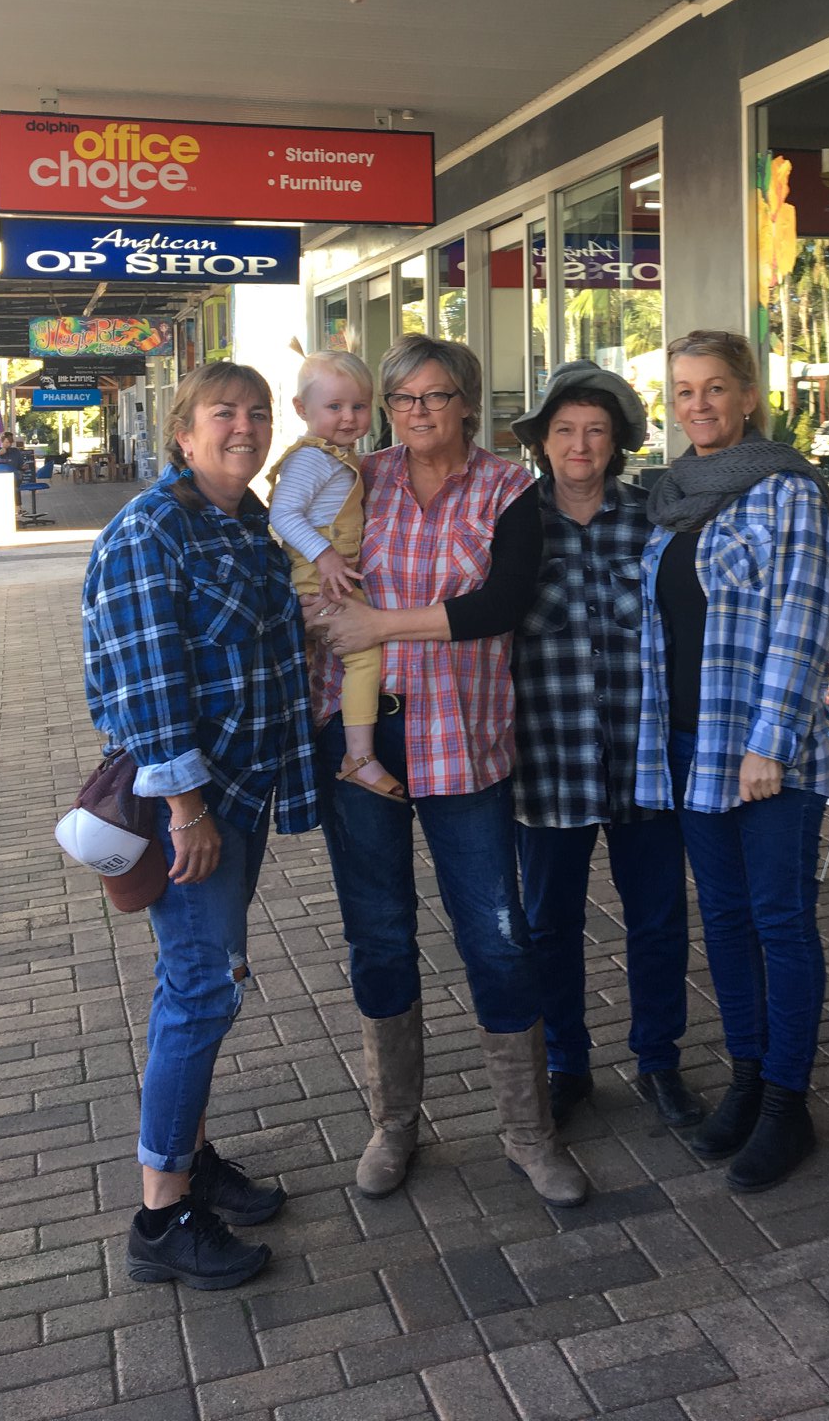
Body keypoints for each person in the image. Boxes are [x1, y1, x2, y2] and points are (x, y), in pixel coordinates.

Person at [316, 334, 587, 1207]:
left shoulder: (509, 486)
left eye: (434, 397)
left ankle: (526, 1132)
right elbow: (299, 548)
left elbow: (502, 602)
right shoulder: (359, 476)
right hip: (361, 741)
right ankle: (393, 1126)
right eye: (402, 399)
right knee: (379, 933)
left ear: (468, 400)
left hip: (464, 743)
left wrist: (381, 626)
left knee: (497, 937)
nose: (417, 413)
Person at [83, 361, 318, 1290]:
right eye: (225, 413)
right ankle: (161, 1216)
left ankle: (194, 1157)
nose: (246, 428)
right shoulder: (152, 529)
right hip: (199, 808)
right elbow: (145, 685)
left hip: (247, 797)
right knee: (202, 991)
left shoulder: (251, 526)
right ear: (183, 432)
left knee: (196, 983)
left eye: (259, 414)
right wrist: (186, 810)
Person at [636, 330, 829, 1193]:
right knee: (722, 920)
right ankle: (748, 1075)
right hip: (690, 746)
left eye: (716, 388)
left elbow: (802, 623)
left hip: (764, 752)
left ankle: (788, 1102)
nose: (699, 405)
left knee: (779, 921)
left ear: (749, 394)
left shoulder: (786, 492)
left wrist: (770, 742)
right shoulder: (674, 495)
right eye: (684, 391)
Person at [508, 360, 704, 1133]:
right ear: (543, 443)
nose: (580, 444)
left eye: (596, 430)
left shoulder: (657, 520)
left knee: (657, 918)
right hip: (547, 758)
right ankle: (566, 1064)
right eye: (564, 430)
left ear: (618, 442)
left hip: (645, 755)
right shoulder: (514, 522)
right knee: (547, 923)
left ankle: (659, 1060)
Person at [267, 350, 400, 801]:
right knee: (364, 656)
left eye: (359, 406)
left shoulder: (338, 456)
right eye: (335, 407)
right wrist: (323, 555)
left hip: (324, 573)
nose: (348, 417)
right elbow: (283, 513)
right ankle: (359, 757)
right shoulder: (312, 460)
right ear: (302, 410)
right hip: (316, 575)